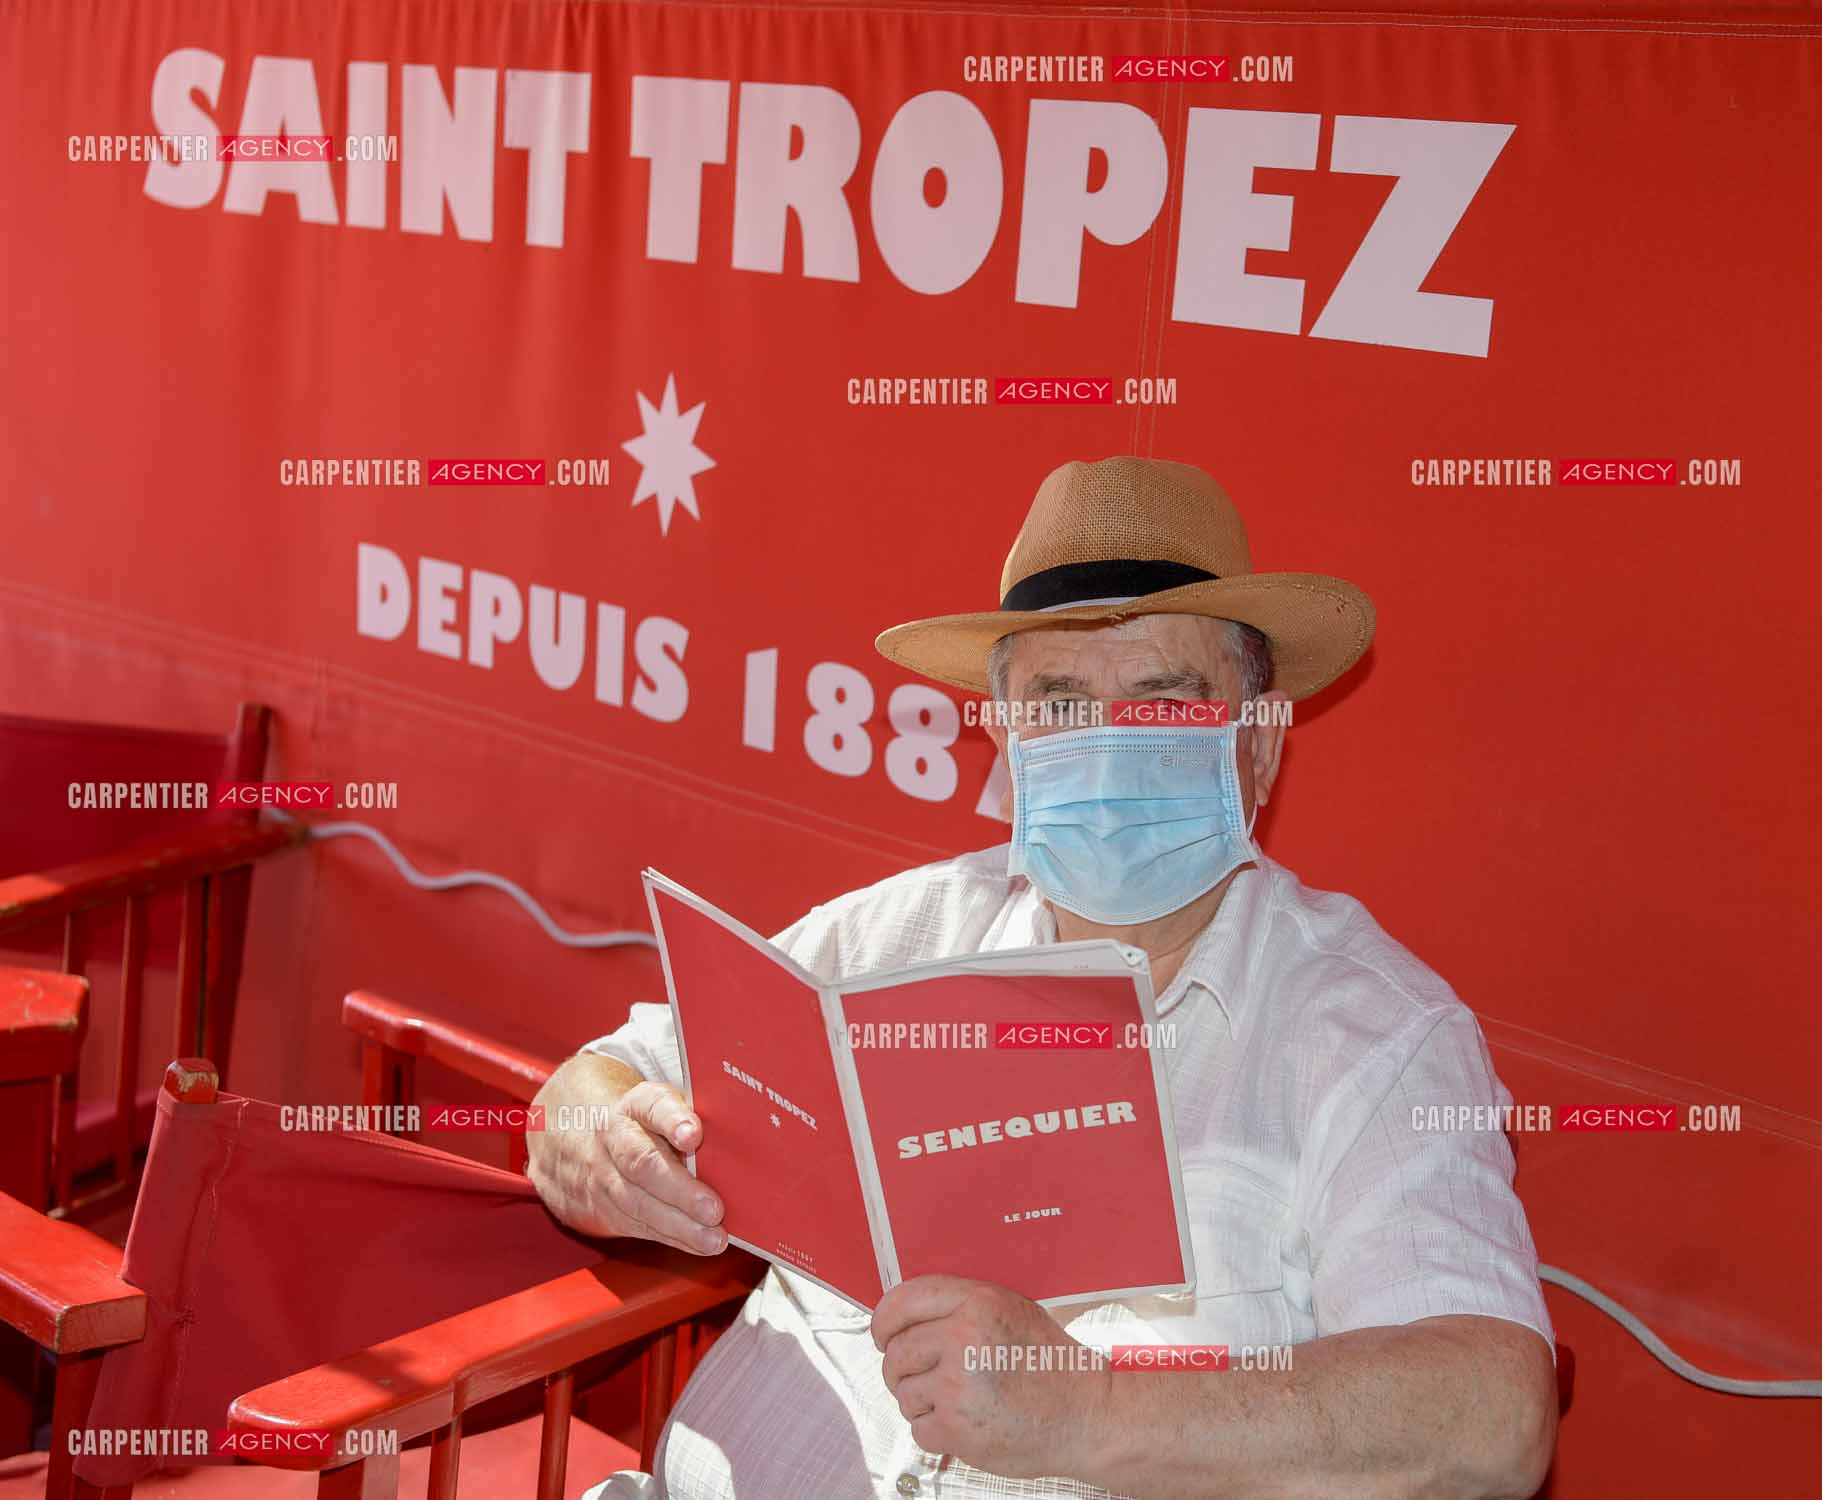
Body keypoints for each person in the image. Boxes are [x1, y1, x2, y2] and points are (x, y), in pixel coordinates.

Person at [533, 456, 1557, 1499]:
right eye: (1060, 704)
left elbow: (1494, 1418)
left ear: (1257, 747)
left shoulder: (1370, 1035)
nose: (1107, 744)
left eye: (1161, 700)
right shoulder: (894, 935)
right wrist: (604, 1150)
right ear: (1008, 741)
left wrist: (1095, 1412)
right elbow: (589, 1086)